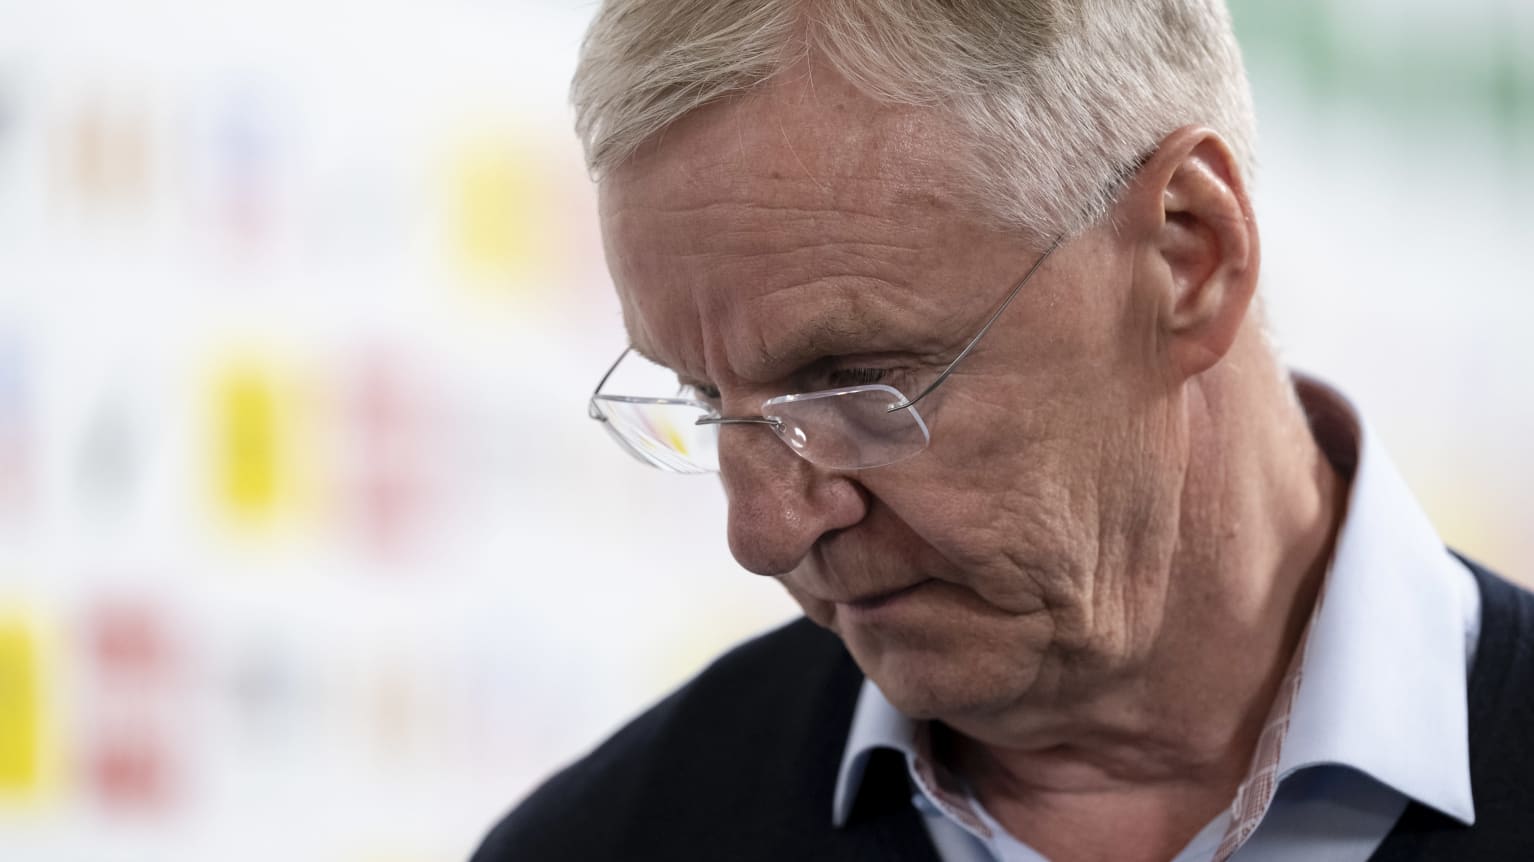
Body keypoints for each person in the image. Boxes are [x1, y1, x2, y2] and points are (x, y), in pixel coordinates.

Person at [475, 2, 1534, 860]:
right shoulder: (607, 840)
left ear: (1189, 256)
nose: (760, 532)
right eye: (706, 399)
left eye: (852, 384)